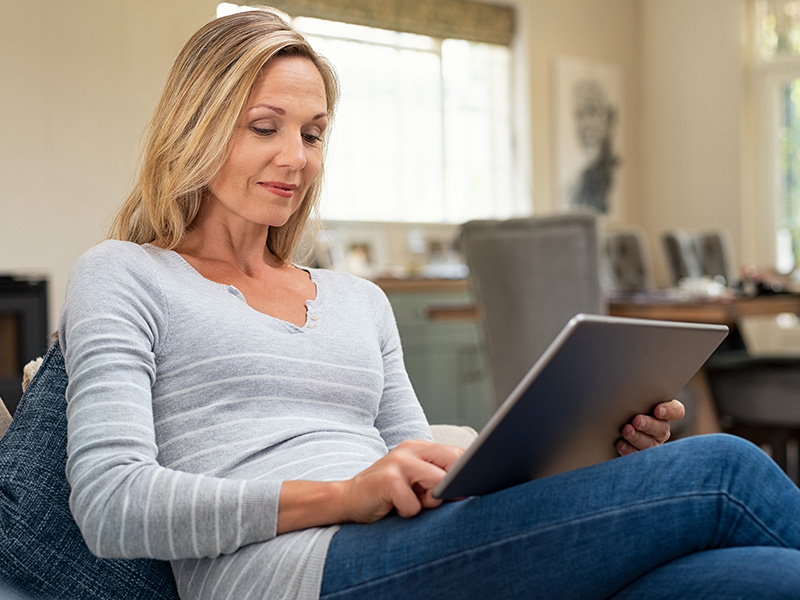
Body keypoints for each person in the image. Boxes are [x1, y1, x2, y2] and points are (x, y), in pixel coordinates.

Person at [58, 8, 800, 600]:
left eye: (313, 134)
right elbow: (111, 503)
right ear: (196, 123)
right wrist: (343, 496)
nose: (297, 158)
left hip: (410, 549)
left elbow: (432, 472)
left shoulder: (358, 301)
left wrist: (596, 454)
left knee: (759, 579)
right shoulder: (125, 275)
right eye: (265, 127)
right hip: (295, 572)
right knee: (724, 469)